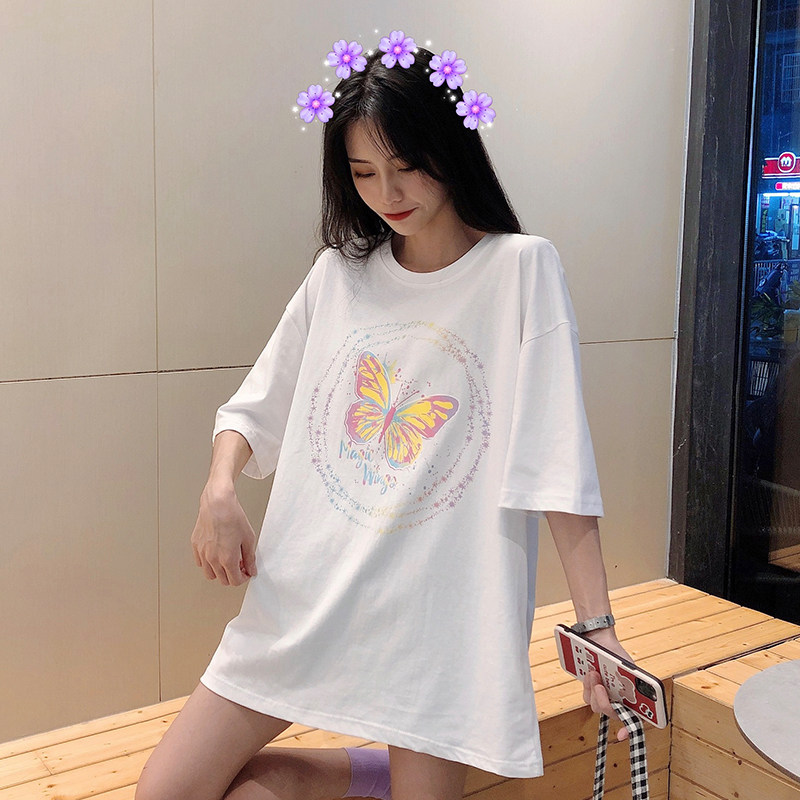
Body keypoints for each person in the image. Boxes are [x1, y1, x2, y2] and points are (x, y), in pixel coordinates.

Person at [135, 32, 634, 800]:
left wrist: (598, 628)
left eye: (405, 165)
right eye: (363, 172)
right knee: (166, 792)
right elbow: (255, 406)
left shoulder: (520, 269)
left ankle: (391, 777)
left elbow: (555, 460)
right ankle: (375, 774)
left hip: (432, 619)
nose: (386, 192)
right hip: (307, 596)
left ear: (450, 147)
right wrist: (219, 487)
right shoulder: (338, 277)